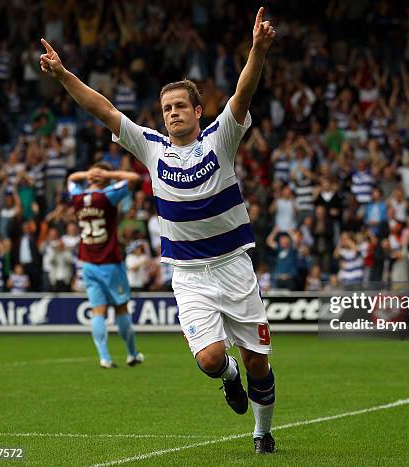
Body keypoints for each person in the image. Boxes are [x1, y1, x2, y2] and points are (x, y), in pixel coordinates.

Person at [40, 6, 277, 454]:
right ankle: (228, 380)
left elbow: (243, 94)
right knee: (211, 360)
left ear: (197, 110)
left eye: (180, 106)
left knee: (258, 363)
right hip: (188, 274)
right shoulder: (150, 148)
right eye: (166, 108)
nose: (172, 113)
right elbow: (102, 108)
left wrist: (258, 50)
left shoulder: (220, 139)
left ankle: (262, 433)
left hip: (234, 267)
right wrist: (64, 75)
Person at [67, 162, 143, 369]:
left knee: (97, 312)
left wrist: (87, 173)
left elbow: (71, 179)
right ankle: (132, 353)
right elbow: (134, 178)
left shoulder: (77, 197)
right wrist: (107, 174)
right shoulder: (107, 195)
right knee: (121, 309)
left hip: (88, 265)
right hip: (110, 263)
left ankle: (104, 357)